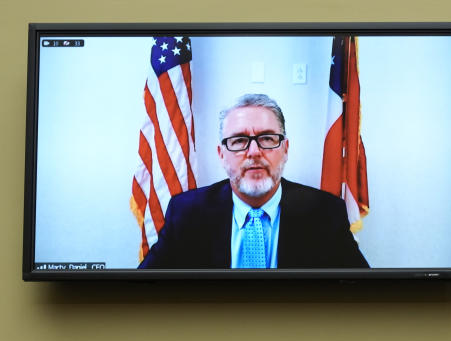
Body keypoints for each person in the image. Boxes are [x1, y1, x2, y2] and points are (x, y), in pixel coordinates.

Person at [139, 93, 369, 269]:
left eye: (267, 138)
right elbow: (145, 290)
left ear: (285, 149)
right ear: (221, 154)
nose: (254, 151)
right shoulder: (186, 213)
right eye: (239, 140)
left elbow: (360, 293)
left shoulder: (325, 213)